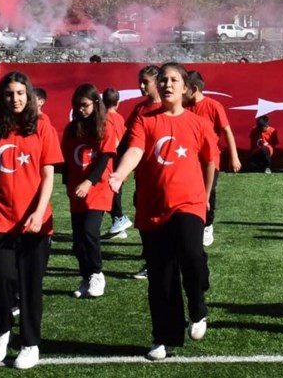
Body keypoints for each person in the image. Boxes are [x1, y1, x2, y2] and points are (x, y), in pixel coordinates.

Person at [108, 62, 216, 361]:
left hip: (189, 203)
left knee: (192, 255)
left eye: (174, 80)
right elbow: (135, 151)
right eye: (163, 80)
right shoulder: (145, 120)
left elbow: (210, 161)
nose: (167, 84)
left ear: (185, 88)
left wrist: (205, 197)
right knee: (161, 275)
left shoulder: (198, 123)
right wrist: (119, 174)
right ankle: (163, 337)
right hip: (153, 207)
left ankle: (197, 307)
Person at [0, 72, 60, 370]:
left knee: (30, 284)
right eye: (10, 93)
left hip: (34, 220)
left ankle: (30, 343)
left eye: (21, 93)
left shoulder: (42, 126)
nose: (16, 99)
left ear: (29, 94)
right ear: (2, 97)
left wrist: (39, 212)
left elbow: (48, 173)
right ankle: (1, 330)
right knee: (1, 279)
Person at [60, 83, 118, 300]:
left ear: (95, 103)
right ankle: (85, 275)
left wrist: (89, 182)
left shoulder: (105, 126)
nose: (80, 109)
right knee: (78, 241)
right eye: (76, 106)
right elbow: (66, 159)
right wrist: (68, 184)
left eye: (84, 105)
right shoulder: (71, 129)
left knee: (89, 231)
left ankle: (97, 273)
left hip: (97, 189)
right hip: (76, 190)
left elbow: (105, 157)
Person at [105, 66, 161, 242]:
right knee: (143, 214)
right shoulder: (139, 109)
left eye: (145, 82)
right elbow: (126, 140)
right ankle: (150, 261)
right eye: (140, 82)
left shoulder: (169, 108)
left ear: (158, 82)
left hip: (163, 173)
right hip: (143, 174)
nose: (141, 86)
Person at [184, 71, 239, 248]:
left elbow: (227, 131)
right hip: (190, 158)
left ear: (193, 89)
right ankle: (195, 224)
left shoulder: (213, 106)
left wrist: (234, 157)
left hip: (211, 158)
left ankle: (208, 225)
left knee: (209, 191)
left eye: (184, 88)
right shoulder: (184, 107)